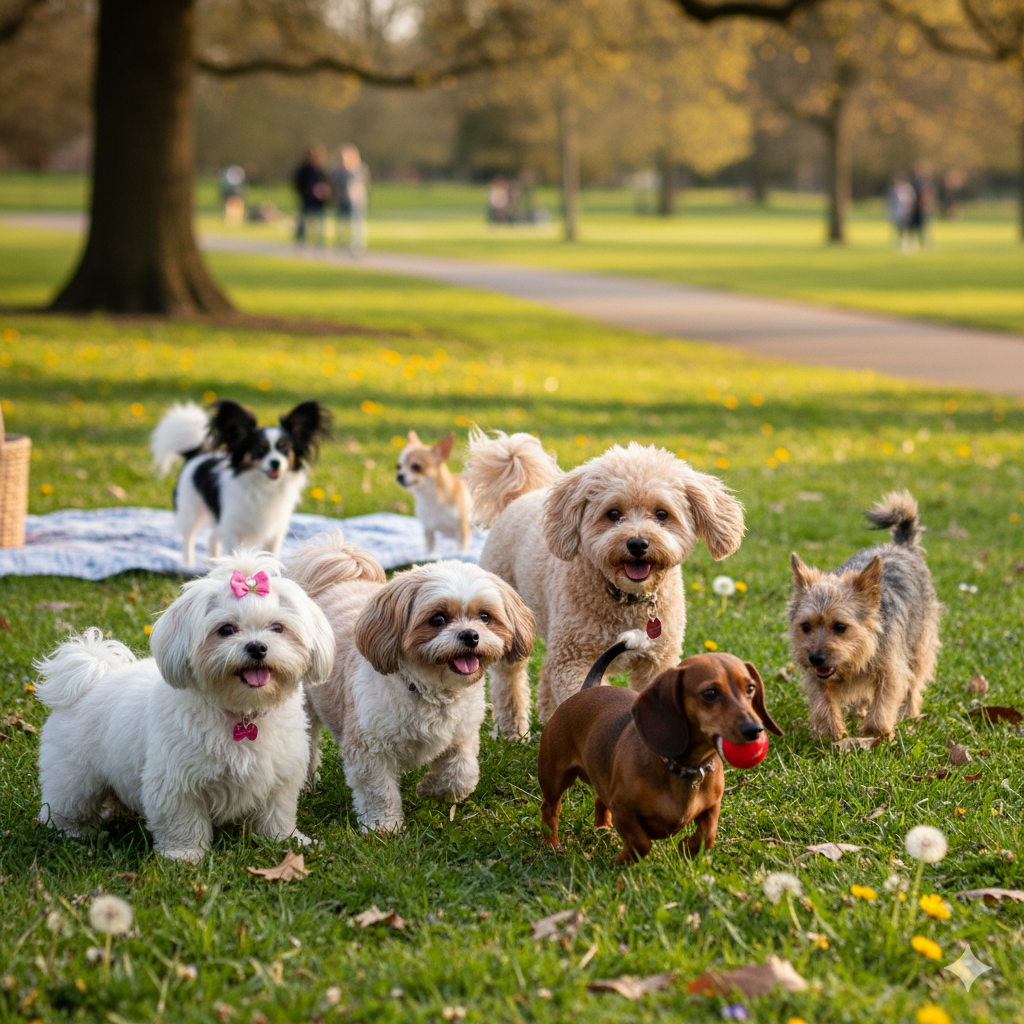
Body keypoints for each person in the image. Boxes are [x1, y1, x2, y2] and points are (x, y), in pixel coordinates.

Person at [330, 144, 370, 256]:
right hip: (341, 200)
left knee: (356, 224)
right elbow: (331, 181)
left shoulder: (359, 168)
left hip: (357, 201)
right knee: (341, 224)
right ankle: (340, 245)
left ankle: (357, 247)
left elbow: (363, 183)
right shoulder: (337, 170)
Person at [293, 145, 330, 245]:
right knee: (304, 220)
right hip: (307, 198)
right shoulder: (304, 169)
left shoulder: (321, 169)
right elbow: (298, 183)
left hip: (319, 201)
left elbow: (327, 183)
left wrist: (323, 191)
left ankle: (320, 240)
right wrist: (307, 191)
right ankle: (301, 239)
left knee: (320, 221)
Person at [887, 173, 915, 253]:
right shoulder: (895, 189)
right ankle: (901, 243)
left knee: (908, 228)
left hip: (906, 211)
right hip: (898, 211)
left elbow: (910, 199)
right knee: (900, 228)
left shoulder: (907, 188)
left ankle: (910, 243)